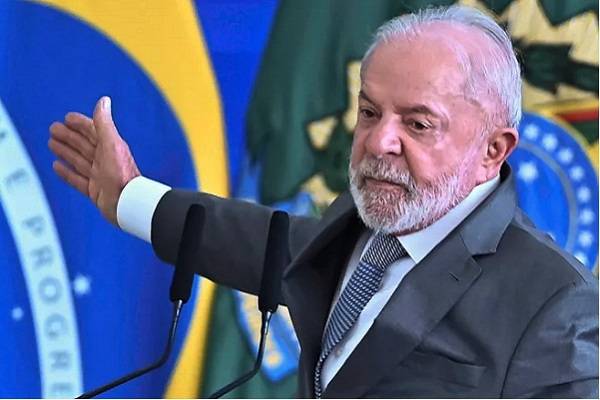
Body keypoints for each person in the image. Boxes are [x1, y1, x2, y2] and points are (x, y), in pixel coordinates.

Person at [48, 5, 598, 398]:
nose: (379, 142)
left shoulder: (555, 302)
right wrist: (130, 197)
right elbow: (258, 242)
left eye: (417, 123)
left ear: (493, 150)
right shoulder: (364, 229)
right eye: (369, 112)